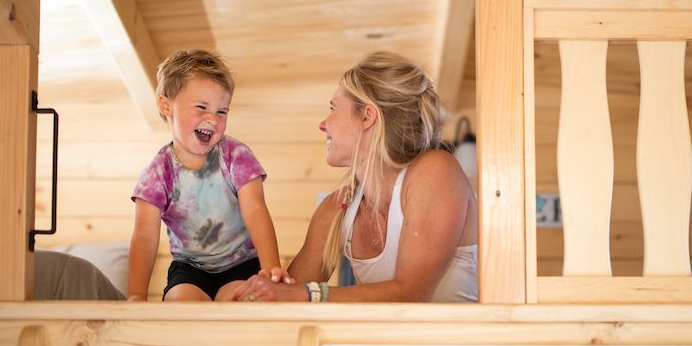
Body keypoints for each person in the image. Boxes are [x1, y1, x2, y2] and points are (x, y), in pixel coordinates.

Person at [233, 51, 477, 303]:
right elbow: (285, 297)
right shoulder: (336, 208)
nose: (322, 124)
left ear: (367, 116)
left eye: (333, 108)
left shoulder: (435, 171)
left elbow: (411, 293)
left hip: (457, 342)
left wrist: (307, 294)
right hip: (386, 343)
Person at [127, 50, 281, 301]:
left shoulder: (235, 156)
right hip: (189, 268)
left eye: (222, 111)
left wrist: (271, 270)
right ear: (167, 106)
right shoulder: (157, 173)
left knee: (239, 302)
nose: (212, 118)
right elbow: (144, 236)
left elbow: (255, 209)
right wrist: (136, 294)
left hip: (241, 263)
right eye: (201, 107)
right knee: (180, 304)